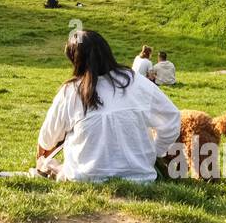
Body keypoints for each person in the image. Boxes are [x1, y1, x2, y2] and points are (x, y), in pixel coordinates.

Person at [36, 30, 182, 183]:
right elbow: (171, 118)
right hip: (140, 178)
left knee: (47, 162)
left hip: (84, 178)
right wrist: (154, 153)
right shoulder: (137, 82)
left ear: (75, 60)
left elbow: (47, 140)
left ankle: (52, 169)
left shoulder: (71, 91)